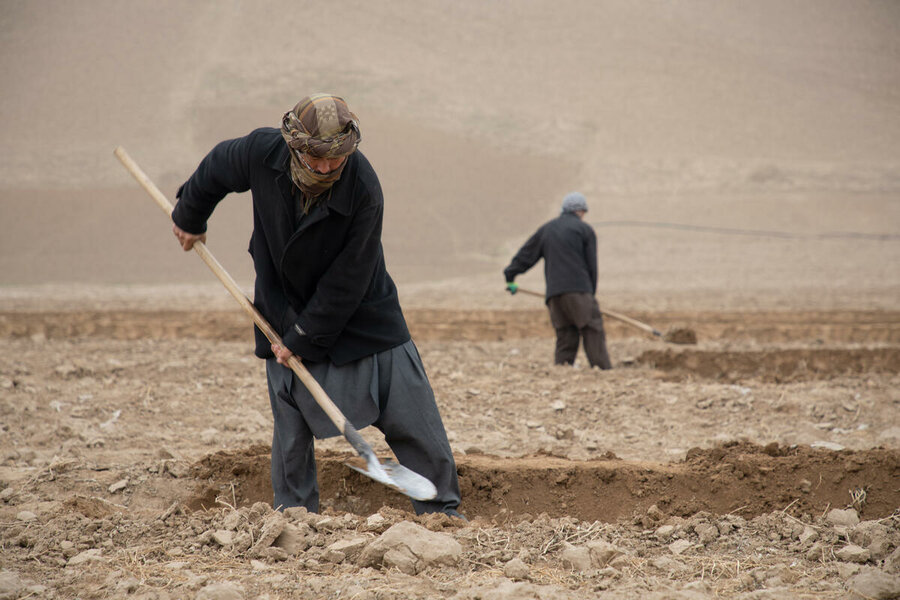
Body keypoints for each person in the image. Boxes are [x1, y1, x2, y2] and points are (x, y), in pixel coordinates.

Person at [170, 93, 463, 519]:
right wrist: (191, 216)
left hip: (366, 317)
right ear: (294, 145)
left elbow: (349, 279)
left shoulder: (364, 189)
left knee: (413, 416)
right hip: (283, 306)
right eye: (316, 159)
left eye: (336, 160)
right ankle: (294, 517)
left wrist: (305, 337)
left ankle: (443, 513)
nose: (326, 168)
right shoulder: (261, 151)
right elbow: (216, 167)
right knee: (291, 429)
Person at [503, 192, 613, 369]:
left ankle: (562, 369)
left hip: (554, 294)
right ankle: (603, 370)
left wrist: (510, 276)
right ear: (582, 211)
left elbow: (526, 255)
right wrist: (590, 295)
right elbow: (592, 266)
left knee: (566, 333)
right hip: (579, 290)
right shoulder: (585, 230)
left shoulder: (547, 229)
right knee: (592, 329)